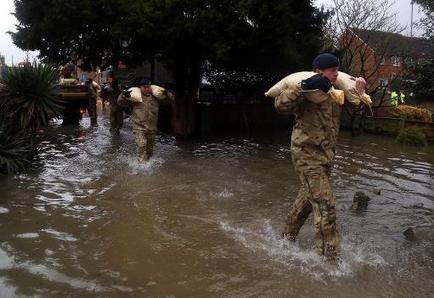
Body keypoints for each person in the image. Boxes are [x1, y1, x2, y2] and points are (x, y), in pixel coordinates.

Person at [276, 53, 366, 259]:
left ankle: (285, 239)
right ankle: (330, 261)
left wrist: (359, 92)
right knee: (326, 206)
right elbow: (280, 106)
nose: (336, 73)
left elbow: (355, 108)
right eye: (332, 70)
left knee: (306, 203)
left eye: (337, 69)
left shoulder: (335, 93)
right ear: (319, 71)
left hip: (326, 157)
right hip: (307, 156)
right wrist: (302, 86)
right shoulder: (306, 92)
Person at [118, 78, 174, 162]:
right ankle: (141, 166)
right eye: (144, 87)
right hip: (139, 128)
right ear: (140, 87)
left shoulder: (156, 98)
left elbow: (170, 100)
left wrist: (167, 94)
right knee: (141, 145)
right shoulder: (135, 98)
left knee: (149, 150)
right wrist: (123, 95)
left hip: (152, 128)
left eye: (148, 87)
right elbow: (120, 103)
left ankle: (148, 165)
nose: (146, 89)